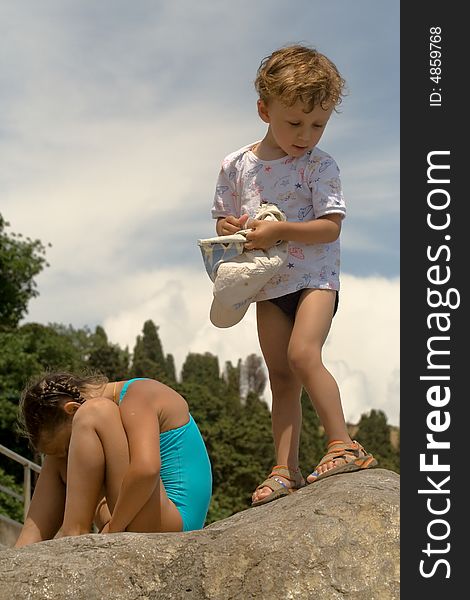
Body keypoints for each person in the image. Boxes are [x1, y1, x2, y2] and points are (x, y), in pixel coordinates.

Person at [210, 44, 377, 507]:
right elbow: (223, 218)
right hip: (269, 285)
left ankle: (343, 444)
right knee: (280, 376)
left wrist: (280, 229)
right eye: (295, 123)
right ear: (264, 109)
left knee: (304, 355)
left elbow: (330, 227)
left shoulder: (320, 165)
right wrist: (229, 228)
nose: (306, 135)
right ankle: (285, 467)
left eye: (318, 124)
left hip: (315, 278)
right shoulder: (236, 166)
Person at [14, 372, 212, 547]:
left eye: (71, 447)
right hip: (139, 512)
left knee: (95, 412)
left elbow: (147, 469)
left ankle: (73, 537)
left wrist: (112, 530)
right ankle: (22, 552)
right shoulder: (121, 407)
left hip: (173, 522)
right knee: (56, 457)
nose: (72, 456)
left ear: (73, 408)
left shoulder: (139, 394)